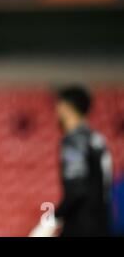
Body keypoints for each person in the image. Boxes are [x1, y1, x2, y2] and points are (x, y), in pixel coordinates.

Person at [30, 85, 113, 236]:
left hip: (81, 226)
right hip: (102, 223)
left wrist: (50, 222)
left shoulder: (74, 141)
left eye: (58, 106)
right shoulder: (97, 139)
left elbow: (76, 190)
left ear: (66, 108)